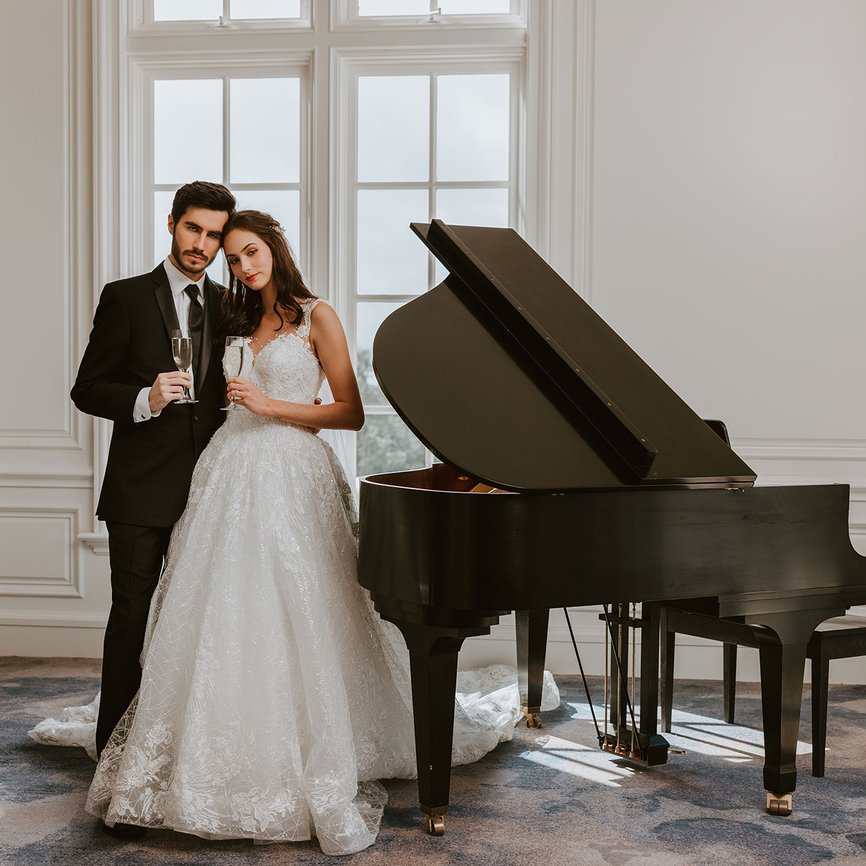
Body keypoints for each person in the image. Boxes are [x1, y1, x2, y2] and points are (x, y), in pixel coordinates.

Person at [81, 210, 558, 855]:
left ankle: (312, 747)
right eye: (235, 259)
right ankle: (218, 746)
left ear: (275, 249)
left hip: (291, 472)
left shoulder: (316, 315)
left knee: (301, 605)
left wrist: (272, 406)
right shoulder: (234, 318)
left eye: (253, 253)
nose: (245, 267)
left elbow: (352, 411)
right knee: (224, 611)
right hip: (225, 471)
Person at [69, 181, 236, 815]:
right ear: (172, 225)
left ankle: (188, 747)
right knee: (131, 617)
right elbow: (87, 389)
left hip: (213, 489)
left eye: (215, 235)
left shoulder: (229, 305)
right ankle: (113, 748)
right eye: (194, 230)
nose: (204, 245)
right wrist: (145, 398)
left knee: (200, 620)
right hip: (139, 488)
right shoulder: (126, 297)